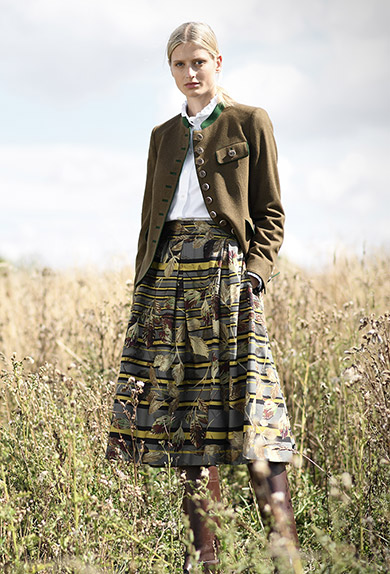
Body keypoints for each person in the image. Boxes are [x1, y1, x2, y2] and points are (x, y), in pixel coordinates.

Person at [106, 21, 299, 573]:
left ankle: (284, 553)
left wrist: (255, 275)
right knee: (191, 419)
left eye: (199, 62)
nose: (190, 74)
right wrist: (144, 288)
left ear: (218, 63)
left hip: (226, 277)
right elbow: (150, 221)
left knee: (256, 416)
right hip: (169, 282)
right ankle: (204, 558)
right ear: (170, 70)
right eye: (179, 65)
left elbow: (271, 214)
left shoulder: (249, 121)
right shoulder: (162, 135)